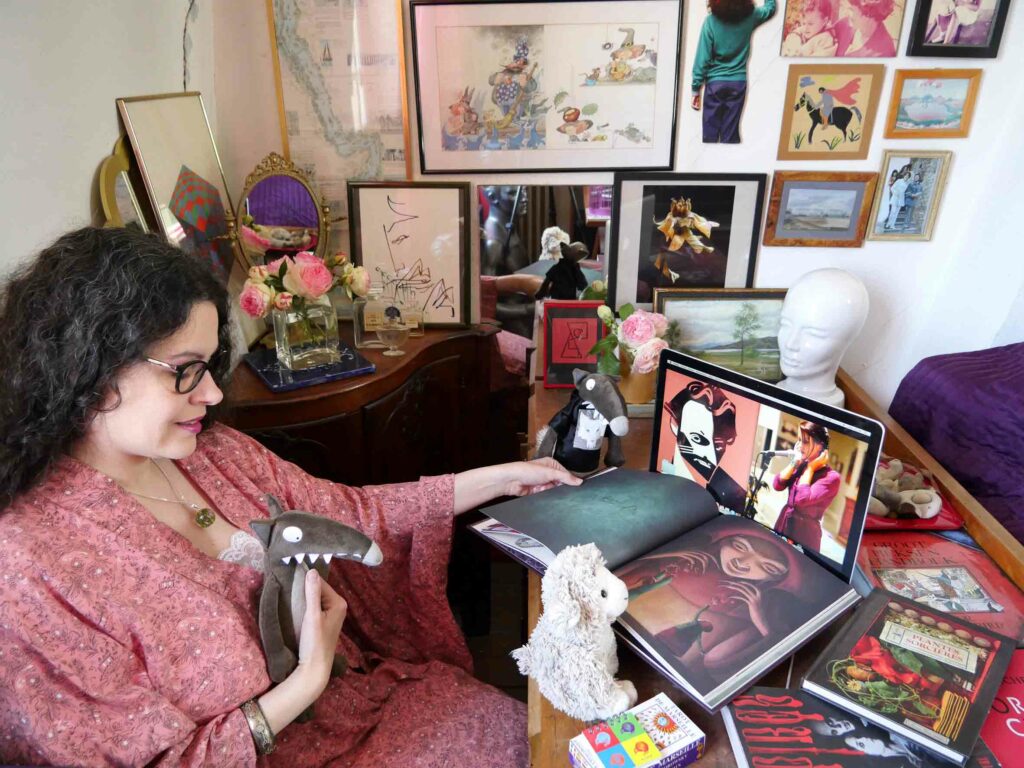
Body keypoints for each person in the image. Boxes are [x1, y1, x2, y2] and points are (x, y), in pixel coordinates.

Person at [0, 227, 580, 767]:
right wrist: (307, 679)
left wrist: (501, 479)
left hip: (366, 704)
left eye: (210, 365)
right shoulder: (29, 566)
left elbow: (351, 515)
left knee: (553, 740)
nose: (212, 391)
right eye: (185, 371)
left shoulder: (213, 451)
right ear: (88, 365)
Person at [617, 524, 803, 689]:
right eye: (739, 546)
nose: (742, 563)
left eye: (768, 568)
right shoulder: (687, 560)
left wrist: (760, 621)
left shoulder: (753, 608)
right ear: (723, 541)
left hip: (661, 681)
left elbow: (719, 668)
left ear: (774, 580)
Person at [691, 0, 777, 143]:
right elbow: (770, 9)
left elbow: (702, 59)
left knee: (709, 136)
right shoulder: (751, 16)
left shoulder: (710, 22)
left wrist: (695, 89)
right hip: (738, 82)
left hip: (714, 84)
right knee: (730, 136)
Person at [661, 380, 748, 513]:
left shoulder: (729, 498)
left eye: (719, 446)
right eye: (698, 438)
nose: (711, 456)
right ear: (675, 426)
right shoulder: (665, 473)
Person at [771, 421, 841, 553]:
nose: (800, 446)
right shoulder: (800, 465)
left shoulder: (831, 477)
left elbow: (801, 501)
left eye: (805, 441)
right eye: (799, 440)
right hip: (784, 523)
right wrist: (795, 463)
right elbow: (777, 484)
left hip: (805, 534)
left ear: (821, 446)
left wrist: (811, 468)